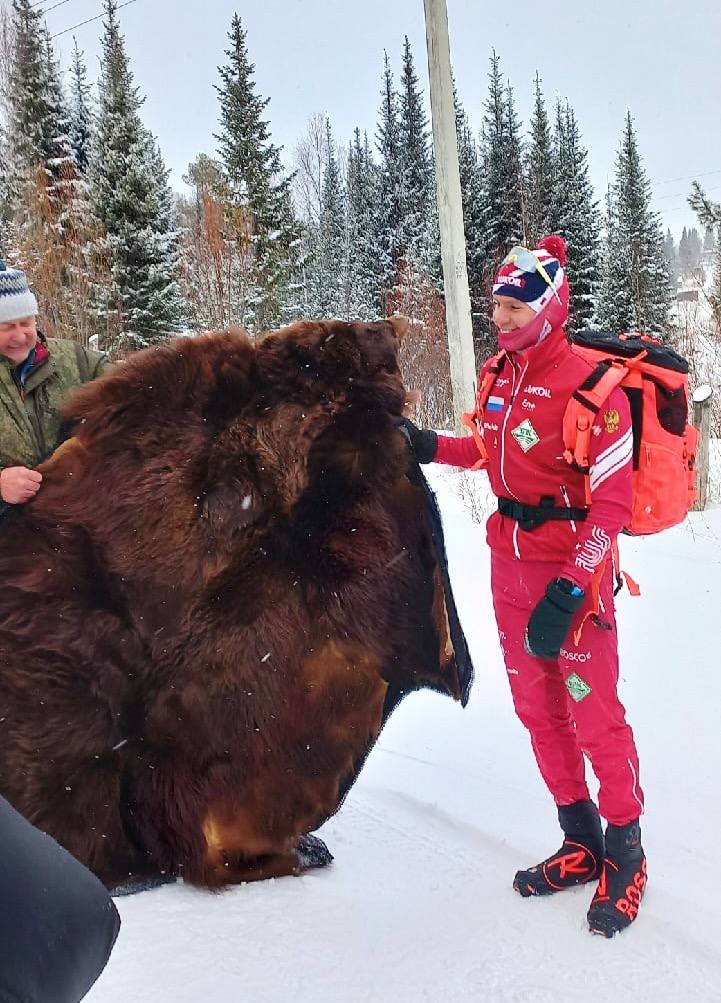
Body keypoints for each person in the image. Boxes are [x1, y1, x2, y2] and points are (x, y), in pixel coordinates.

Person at [402, 235, 646, 938]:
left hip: (573, 574)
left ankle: (625, 853)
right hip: (507, 568)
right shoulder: (498, 376)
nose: (500, 319)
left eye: (512, 307)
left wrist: (571, 589)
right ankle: (580, 838)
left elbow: (611, 505)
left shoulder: (594, 387)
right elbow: (486, 450)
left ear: (546, 305)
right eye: (495, 306)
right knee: (538, 711)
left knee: (594, 715)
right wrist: (427, 445)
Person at [0, 260, 108, 505]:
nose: (20, 335)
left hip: (75, 520)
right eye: (7, 327)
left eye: (26, 323)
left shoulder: (75, 360)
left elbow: (136, 385)